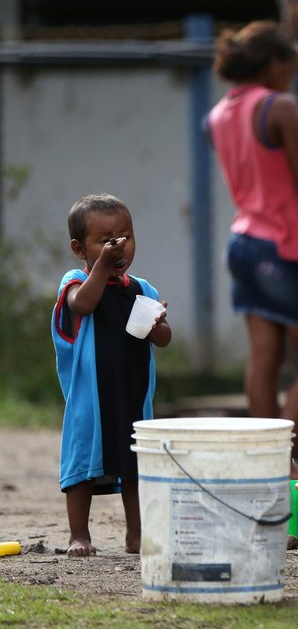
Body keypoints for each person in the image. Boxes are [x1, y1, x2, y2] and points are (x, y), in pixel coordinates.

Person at [208, 20, 298, 472]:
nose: (292, 77)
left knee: (264, 356)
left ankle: (266, 461)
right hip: (286, 246)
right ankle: (276, 459)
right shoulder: (279, 106)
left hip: (243, 242)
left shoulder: (220, 113)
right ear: (272, 64)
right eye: (289, 67)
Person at [51, 193, 172, 557]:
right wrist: (102, 266)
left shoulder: (142, 289)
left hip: (133, 395)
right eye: (105, 240)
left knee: (135, 467)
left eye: (125, 237)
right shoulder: (76, 281)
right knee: (82, 468)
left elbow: (163, 339)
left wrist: (157, 324)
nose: (117, 246)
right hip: (90, 397)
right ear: (78, 248)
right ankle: (79, 535)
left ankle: (136, 534)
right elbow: (82, 305)